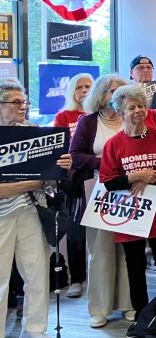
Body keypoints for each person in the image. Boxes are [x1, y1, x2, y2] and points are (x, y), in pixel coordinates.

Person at [98, 85, 156, 318]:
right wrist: (135, 177)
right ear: (120, 112)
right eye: (132, 107)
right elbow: (108, 181)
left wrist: (153, 175)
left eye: (141, 106)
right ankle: (142, 314)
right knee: (135, 266)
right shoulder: (114, 144)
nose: (138, 111)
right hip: (130, 211)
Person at [0, 80, 72, 338]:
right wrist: (30, 184)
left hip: (31, 209)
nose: (22, 107)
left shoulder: (32, 132)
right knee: (1, 276)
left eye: (24, 102)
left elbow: (50, 176)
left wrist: (61, 165)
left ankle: (34, 330)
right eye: (15, 102)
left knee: (36, 271)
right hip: (3, 214)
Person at [70, 75, 137, 327]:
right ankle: (99, 308)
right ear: (101, 94)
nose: (119, 95)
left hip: (131, 190)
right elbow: (77, 156)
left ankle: (130, 303)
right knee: (100, 251)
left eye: (124, 91)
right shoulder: (88, 122)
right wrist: (108, 165)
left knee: (129, 249)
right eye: (114, 91)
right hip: (99, 191)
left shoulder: (132, 118)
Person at [51, 72, 94, 299]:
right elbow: (58, 149)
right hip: (72, 180)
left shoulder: (97, 115)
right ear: (72, 91)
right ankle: (77, 279)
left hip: (95, 175)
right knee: (76, 230)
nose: (84, 90)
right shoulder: (63, 116)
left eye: (88, 86)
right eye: (80, 87)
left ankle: (95, 276)